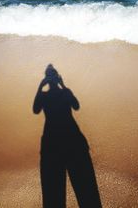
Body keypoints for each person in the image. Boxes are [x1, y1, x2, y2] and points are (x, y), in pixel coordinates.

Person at [33, 64, 102, 208]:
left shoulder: (47, 96)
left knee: (54, 197)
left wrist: (41, 86)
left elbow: (36, 109)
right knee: (87, 193)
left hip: (53, 145)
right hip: (72, 142)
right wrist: (63, 86)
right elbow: (76, 106)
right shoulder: (64, 93)